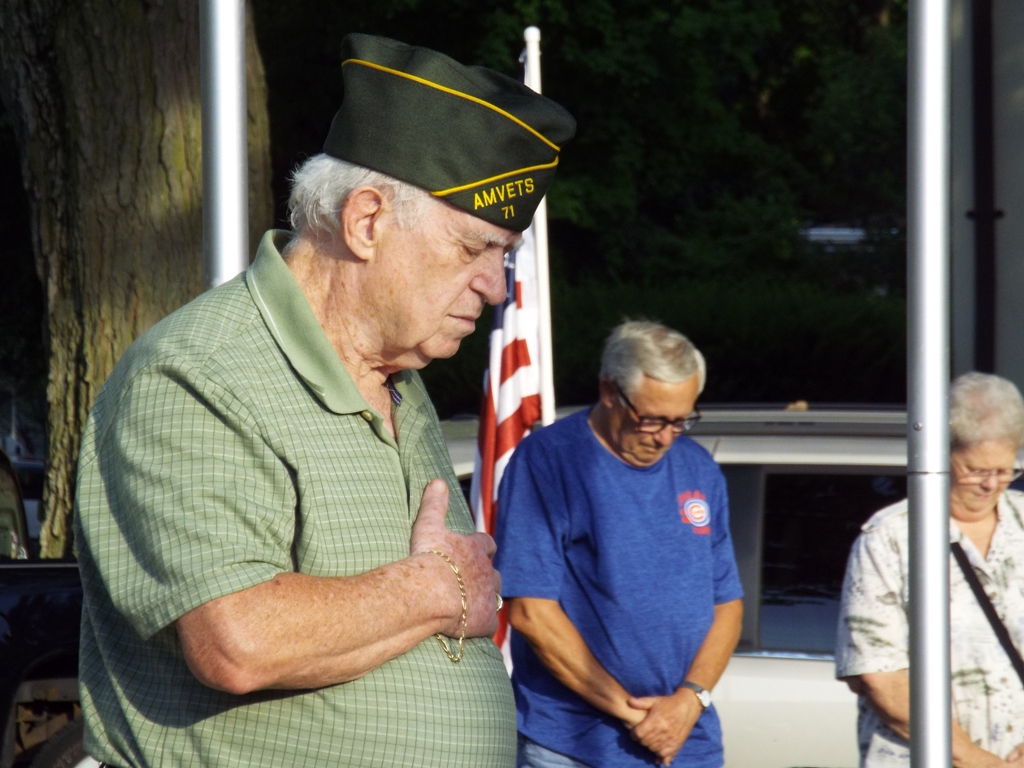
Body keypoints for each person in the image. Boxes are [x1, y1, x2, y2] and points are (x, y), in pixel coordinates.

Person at [74, 34, 574, 768]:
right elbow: (238, 639)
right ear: (366, 221)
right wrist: (435, 590)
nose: (496, 287)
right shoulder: (198, 374)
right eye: (474, 249)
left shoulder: (398, 378)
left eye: (504, 254)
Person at [494, 320, 744, 768]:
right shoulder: (549, 461)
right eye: (652, 419)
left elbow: (727, 604)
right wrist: (633, 714)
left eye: (681, 421)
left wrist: (690, 699)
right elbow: (531, 612)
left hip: (688, 742)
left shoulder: (699, 469)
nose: (665, 436)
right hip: (573, 747)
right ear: (609, 391)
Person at [836, 372, 1024, 768]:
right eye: (976, 470)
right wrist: (977, 760)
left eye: (1006, 470)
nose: (991, 485)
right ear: (941, 455)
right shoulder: (891, 538)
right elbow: (878, 676)